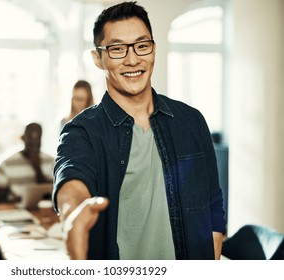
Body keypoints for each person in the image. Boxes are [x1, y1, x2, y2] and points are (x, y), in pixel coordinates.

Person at [53, 1, 226, 260]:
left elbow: (213, 210)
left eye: (142, 46)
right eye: (117, 49)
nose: (133, 59)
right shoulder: (81, 131)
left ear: (154, 49)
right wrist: (73, 213)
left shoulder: (191, 121)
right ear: (98, 59)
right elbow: (72, 181)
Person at [0, 123, 54, 204]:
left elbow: (52, 193)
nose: (34, 145)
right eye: (30, 141)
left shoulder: (51, 161)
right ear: (23, 138)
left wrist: (37, 168)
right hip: (15, 210)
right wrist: (18, 202)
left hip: (42, 210)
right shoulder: (6, 163)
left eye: (37, 141)